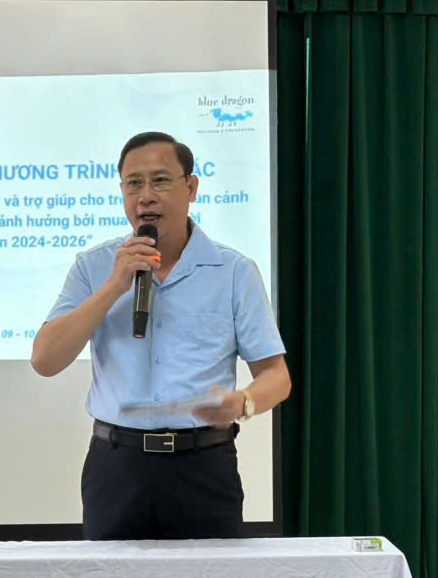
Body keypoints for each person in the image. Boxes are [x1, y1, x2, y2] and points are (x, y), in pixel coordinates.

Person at [31, 131, 291, 539]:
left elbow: (277, 376)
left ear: (191, 188)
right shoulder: (94, 267)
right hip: (117, 466)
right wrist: (114, 286)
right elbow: (45, 360)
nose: (146, 197)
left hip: (204, 465)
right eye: (133, 184)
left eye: (160, 181)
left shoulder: (234, 271)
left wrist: (244, 402)